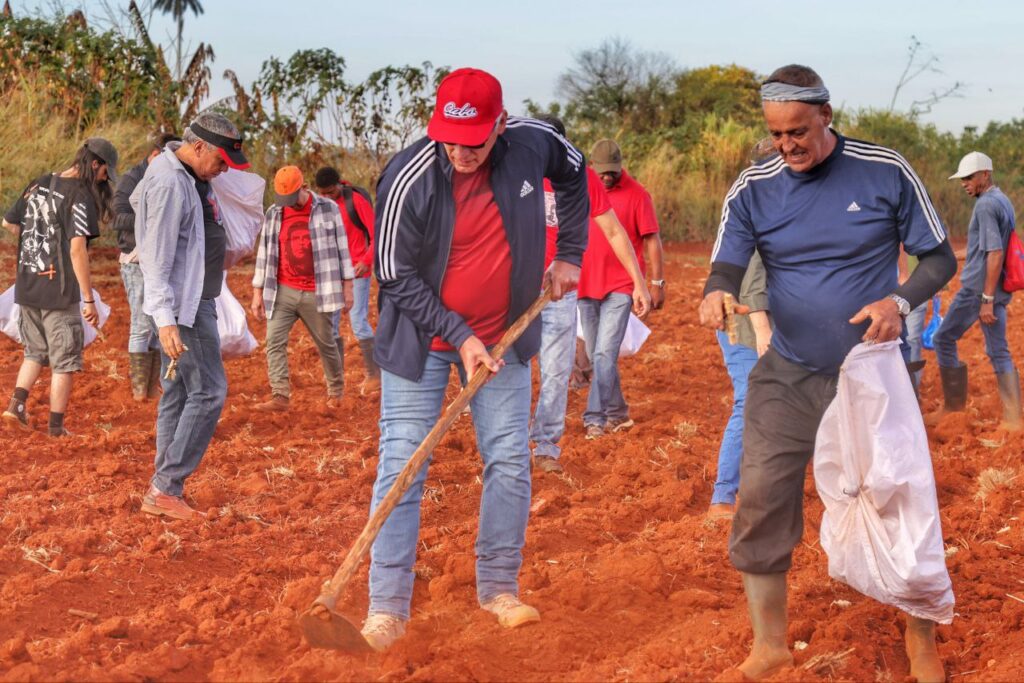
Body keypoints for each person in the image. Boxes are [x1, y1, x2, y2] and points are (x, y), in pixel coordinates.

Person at [699, 65, 957, 683]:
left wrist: (898, 303)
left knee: (899, 499)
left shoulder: (884, 169)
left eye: (798, 132)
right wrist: (716, 293)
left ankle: (920, 632)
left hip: (870, 373)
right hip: (788, 370)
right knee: (760, 497)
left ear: (826, 115)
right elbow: (727, 261)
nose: (787, 146)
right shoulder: (755, 186)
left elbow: (940, 257)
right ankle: (770, 647)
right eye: (775, 134)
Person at [361, 67, 589, 651]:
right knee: (402, 465)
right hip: (423, 344)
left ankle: (498, 588)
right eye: (451, 139)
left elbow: (576, 171)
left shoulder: (533, 143)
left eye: (475, 142)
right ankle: (386, 608)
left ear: (500, 126)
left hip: (504, 340)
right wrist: (459, 335)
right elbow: (393, 275)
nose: (462, 152)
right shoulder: (408, 176)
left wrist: (569, 252)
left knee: (510, 459)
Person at [133, 111, 249, 521]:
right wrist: (164, 320)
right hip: (183, 306)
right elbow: (156, 258)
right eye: (220, 161)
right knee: (210, 391)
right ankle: (166, 488)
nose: (221, 171)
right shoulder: (168, 181)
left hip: (191, 299)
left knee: (180, 391)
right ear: (199, 146)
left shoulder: (188, 174)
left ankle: (162, 486)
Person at [529, 116, 651, 474]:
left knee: (557, 368)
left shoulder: (580, 177)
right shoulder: (516, 173)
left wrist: (641, 282)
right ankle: (511, 445)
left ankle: (545, 446)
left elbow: (614, 232)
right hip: (516, 288)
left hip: (561, 290)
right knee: (516, 367)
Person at [1, 138, 118, 436]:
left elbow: (10, 223)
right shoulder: (79, 196)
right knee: (65, 360)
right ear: (95, 164)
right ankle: (56, 429)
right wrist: (88, 299)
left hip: (27, 287)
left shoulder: (39, 183)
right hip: (59, 291)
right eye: (105, 171)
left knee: (34, 351)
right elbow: (77, 250)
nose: (106, 178)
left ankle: (16, 406)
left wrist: (39, 243)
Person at [250, 166, 355, 410]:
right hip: (283, 289)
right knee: (273, 341)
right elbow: (264, 253)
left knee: (326, 343)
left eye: (292, 198)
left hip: (317, 292)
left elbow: (343, 249)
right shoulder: (275, 212)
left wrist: (348, 287)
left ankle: (336, 393)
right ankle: (280, 395)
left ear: (304, 186)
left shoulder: (328, 209)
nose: (289, 204)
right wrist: (257, 292)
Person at [577, 139, 662, 440]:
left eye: (612, 172)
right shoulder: (580, 185)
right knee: (593, 352)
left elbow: (652, 240)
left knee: (603, 354)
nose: (607, 177)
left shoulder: (638, 195)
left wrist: (654, 283)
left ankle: (594, 419)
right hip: (585, 282)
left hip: (621, 285)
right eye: (602, 171)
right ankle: (618, 412)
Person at [931, 151, 1021, 429]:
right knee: (998, 349)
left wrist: (986, 299)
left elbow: (994, 253)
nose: (964, 183)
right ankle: (1013, 418)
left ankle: (952, 409)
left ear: (985, 174)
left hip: (978, 291)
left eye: (969, 177)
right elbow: (983, 249)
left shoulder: (984, 206)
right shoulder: (1000, 200)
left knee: (943, 339)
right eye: (962, 179)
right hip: (994, 288)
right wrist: (950, 256)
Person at [113, 132, 181, 401]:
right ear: (157, 154)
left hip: (155, 260)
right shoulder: (132, 179)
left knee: (155, 323)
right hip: (135, 260)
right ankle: (140, 391)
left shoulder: (161, 176)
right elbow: (117, 217)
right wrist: (153, 219)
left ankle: (150, 388)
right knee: (141, 324)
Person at [313, 165, 380, 395]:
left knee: (358, 322)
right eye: (323, 193)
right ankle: (337, 379)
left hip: (358, 270)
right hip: (333, 272)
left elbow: (376, 233)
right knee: (329, 326)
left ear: (340, 183)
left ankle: (374, 375)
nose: (328, 197)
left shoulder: (356, 201)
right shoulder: (320, 205)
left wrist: (366, 260)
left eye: (331, 191)